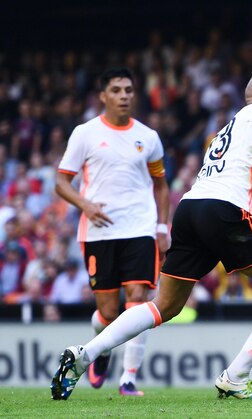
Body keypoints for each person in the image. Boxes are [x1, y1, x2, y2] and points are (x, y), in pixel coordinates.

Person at [51, 71, 252, 401]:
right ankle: (236, 375)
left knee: (165, 305)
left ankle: (84, 355)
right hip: (224, 211)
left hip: (193, 209)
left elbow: (237, 199)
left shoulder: (233, 129)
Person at [53, 68, 170, 397]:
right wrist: (85, 205)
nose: (124, 96)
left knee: (138, 301)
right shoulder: (85, 134)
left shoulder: (148, 137)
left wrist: (162, 226)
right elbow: (62, 182)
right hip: (98, 232)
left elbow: (161, 186)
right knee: (107, 313)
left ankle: (128, 380)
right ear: (103, 96)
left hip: (139, 228)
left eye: (129, 90)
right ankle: (102, 351)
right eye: (116, 90)